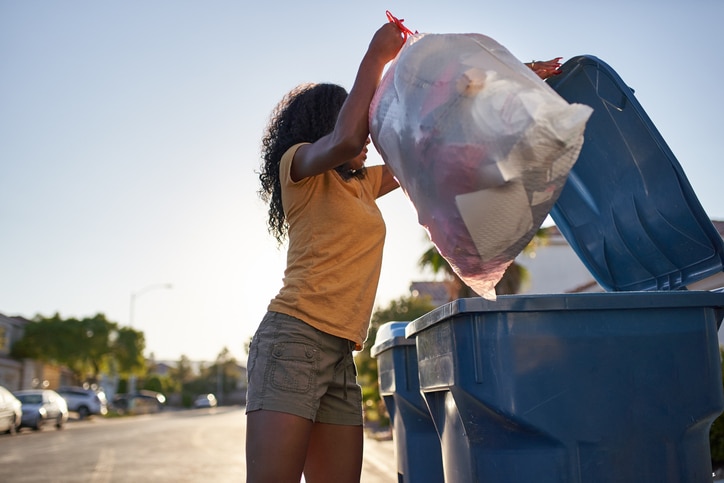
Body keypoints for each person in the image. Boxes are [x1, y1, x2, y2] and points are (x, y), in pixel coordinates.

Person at [245, 21, 405, 483]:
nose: (368, 134)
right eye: (359, 117)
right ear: (327, 124)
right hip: (293, 340)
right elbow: (347, 141)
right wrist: (376, 56)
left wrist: (502, 86)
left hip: (340, 355)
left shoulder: (362, 187)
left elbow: (425, 148)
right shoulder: (299, 166)